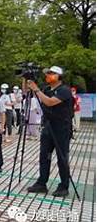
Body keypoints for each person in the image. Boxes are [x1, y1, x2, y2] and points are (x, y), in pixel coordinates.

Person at [26, 66, 73, 197]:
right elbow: (28, 92)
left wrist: (36, 89)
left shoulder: (64, 91)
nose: (48, 75)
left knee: (62, 158)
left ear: (59, 76)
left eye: (51, 73)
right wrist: (27, 80)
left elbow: (50, 102)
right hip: (47, 127)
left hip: (61, 129)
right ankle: (42, 183)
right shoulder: (46, 89)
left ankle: (64, 186)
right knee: (44, 156)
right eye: (47, 73)